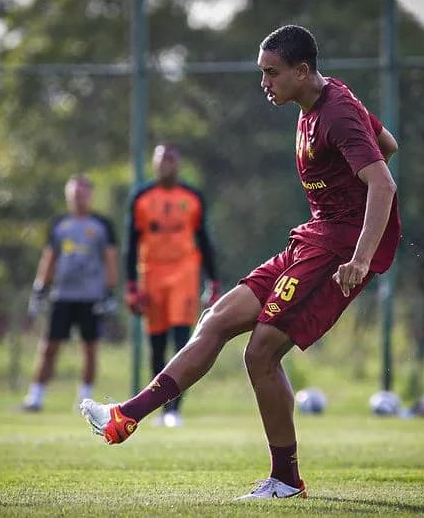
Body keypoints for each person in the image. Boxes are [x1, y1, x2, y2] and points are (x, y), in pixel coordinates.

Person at [81, 24, 400, 500]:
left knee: (261, 353)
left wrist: (359, 256)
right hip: (312, 238)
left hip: (335, 252)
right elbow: (387, 143)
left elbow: (384, 183)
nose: (264, 83)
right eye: (261, 72)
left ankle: (286, 480)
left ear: (302, 70)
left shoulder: (338, 113)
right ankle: (125, 416)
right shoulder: (322, 101)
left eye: (272, 73)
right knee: (216, 319)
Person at [124, 143, 220, 428]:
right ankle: (162, 407)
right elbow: (131, 244)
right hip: (151, 276)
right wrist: (130, 285)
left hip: (184, 276)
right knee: (156, 346)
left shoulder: (192, 197)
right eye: (161, 159)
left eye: (171, 159)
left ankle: (175, 410)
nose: (166, 164)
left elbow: (204, 241)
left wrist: (213, 280)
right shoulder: (141, 197)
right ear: (154, 163)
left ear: (179, 164)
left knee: (182, 342)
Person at [21, 175, 118, 411]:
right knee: (49, 347)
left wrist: (110, 292)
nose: (78, 197)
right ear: (68, 195)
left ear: (90, 195)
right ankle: (35, 397)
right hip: (62, 296)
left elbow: (110, 260)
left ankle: (84, 400)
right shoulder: (58, 225)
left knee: (90, 348)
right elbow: (49, 258)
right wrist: (40, 288)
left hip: (91, 297)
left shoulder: (102, 225)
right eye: (74, 193)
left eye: (83, 193)